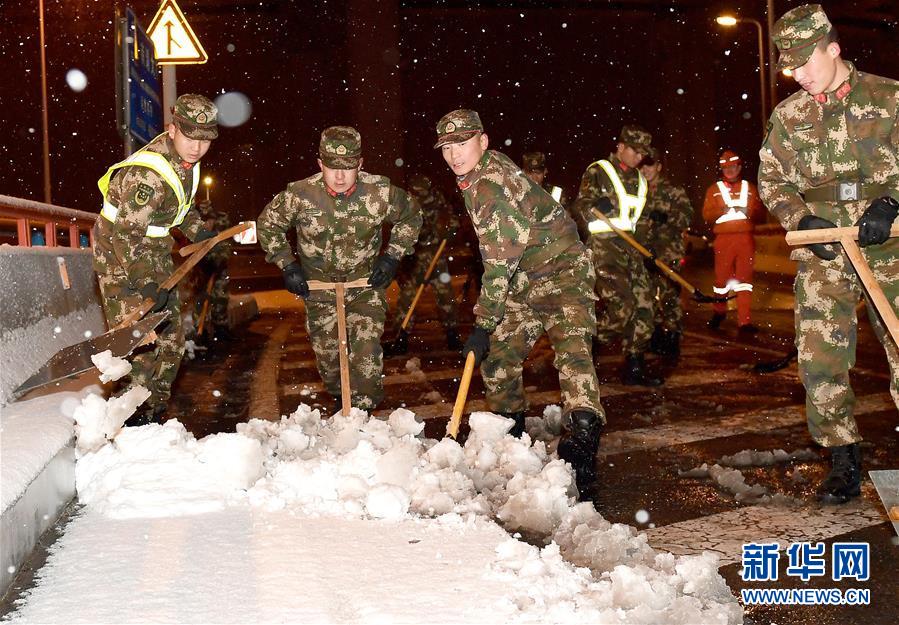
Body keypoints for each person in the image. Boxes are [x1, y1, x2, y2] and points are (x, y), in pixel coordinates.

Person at [760, 3, 899, 504]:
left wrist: (891, 201)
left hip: (889, 247)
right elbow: (772, 180)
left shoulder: (889, 98)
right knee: (820, 357)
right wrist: (801, 220)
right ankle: (841, 456)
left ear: (833, 48)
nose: (797, 75)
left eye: (804, 62)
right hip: (824, 251)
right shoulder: (790, 116)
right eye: (789, 66)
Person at [435, 109, 605, 498]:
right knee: (498, 359)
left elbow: (497, 264)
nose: (454, 154)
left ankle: (582, 452)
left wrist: (482, 323)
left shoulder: (491, 187)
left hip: (563, 273)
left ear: (483, 140)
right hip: (523, 278)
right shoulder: (479, 173)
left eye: (462, 144)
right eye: (447, 147)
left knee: (573, 355)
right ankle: (510, 433)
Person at [257, 126, 421, 411]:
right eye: (332, 167)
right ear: (320, 164)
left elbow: (412, 215)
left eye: (348, 167)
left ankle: (364, 415)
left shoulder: (380, 192)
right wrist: (287, 264)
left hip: (364, 287)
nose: (341, 176)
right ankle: (339, 401)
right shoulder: (300, 194)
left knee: (366, 357)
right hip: (319, 290)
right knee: (330, 360)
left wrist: (392, 256)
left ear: (360, 163)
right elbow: (268, 224)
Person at [92, 94, 220, 425]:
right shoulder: (147, 175)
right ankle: (124, 422)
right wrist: (146, 282)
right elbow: (126, 235)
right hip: (120, 255)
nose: (196, 146)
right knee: (139, 345)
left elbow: (181, 206)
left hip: (154, 247)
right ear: (173, 128)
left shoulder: (187, 164)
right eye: (190, 135)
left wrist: (199, 234)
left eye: (204, 139)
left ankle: (152, 413)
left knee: (172, 340)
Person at [574, 124, 662, 386]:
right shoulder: (598, 171)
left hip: (631, 248)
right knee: (622, 309)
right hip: (604, 248)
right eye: (634, 151)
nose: (638, 158)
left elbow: (641, 219)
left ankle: (634, 365)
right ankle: (585, 343)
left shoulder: (640, 180)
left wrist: (648, 246)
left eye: (642, 154)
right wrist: (592, 208)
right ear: (621, 147)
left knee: (645, 308)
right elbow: (580, 206)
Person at [383, 174, 462, 355]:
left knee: (445, 295)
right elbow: (397, 229)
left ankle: (452, 336)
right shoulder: (405, 204)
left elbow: (451, 217)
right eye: (416, 194)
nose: (420, 198)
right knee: (408, 298)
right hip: (414, 256)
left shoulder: (436, 198)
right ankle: (400, 338)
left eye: (422, 194)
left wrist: (451, 228)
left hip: (435, 255)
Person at [635, 147, 694, 357]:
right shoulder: (636, 191)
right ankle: (656, 335)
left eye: (650, 165)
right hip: (644, 252)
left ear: (658, 166)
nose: (646, 170)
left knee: (669, 296)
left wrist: (667, 218)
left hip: (668, 252)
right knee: (647, 296)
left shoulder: (672, 190)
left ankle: (673, 336)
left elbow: (686, 216)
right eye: (642, 166)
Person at [702, 149, 766, 333]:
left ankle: (744, 322)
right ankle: (719, 311)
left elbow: (761, 214)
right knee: (721, 280)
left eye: (733, 167)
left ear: (739, 167)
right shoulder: (713, 190)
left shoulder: (750, 188)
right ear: (722, 169)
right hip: (723, 239)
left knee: (744, 281)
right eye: (726, 167)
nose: (730, 170)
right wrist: (720, 212)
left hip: (745, 239)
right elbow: (706, 214)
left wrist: (751, 213)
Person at [522, 151, 588, 241]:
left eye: (537, 173)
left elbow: (571, 224)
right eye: (530, 173)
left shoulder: (556, 193)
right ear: (523, 172)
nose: (534, 177)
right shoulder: (513, 193)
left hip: (550, 246)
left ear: (545, 171)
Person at [194, 198, 232, 342]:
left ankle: (221, 328)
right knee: (201, 300)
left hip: (218, 265)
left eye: (208, 220)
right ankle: (200, 331)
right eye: (204, 220)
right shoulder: (192, 224)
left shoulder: (222, 221)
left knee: (220, 297)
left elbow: (226, 244)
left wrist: (219, 260)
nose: (207, 224)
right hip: (200, 267)